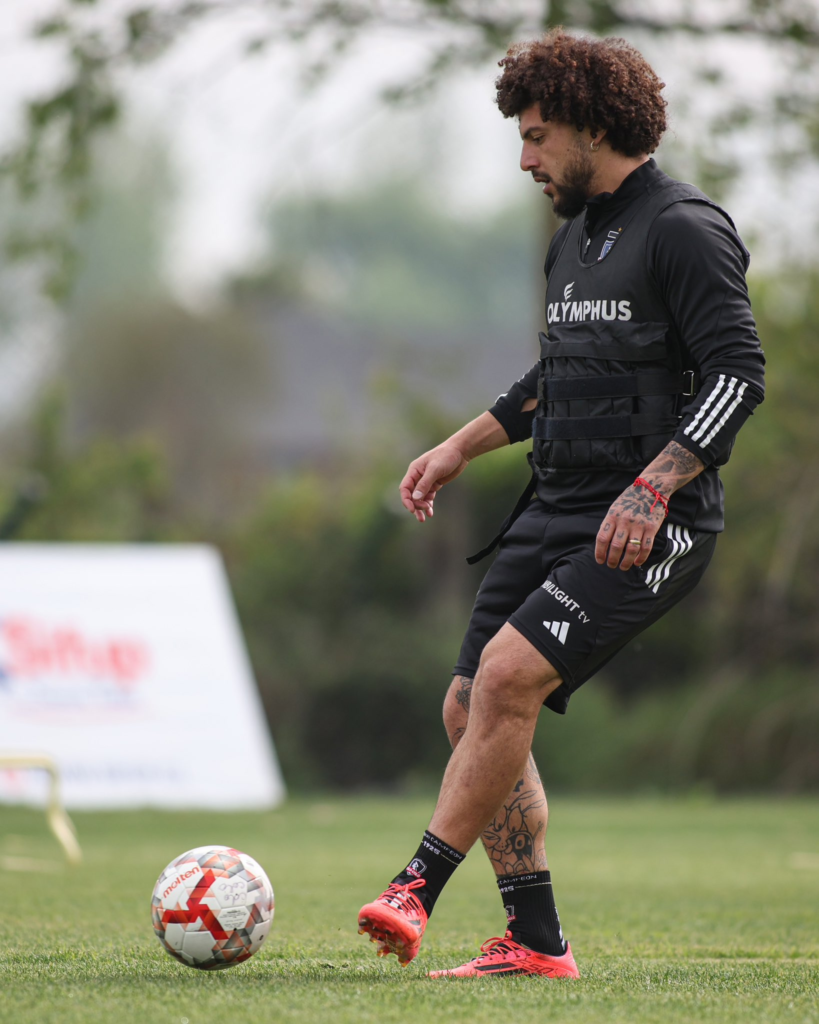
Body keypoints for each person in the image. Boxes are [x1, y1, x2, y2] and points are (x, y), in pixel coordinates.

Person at [357, 29, 765, 979]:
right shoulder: (574, 239)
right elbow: (561, 373)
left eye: (538, 136)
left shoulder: (684, 227)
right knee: (467, 707)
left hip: (648, 521)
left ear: (591, 125)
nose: (525, 158)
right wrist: (459, 447)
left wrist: (656, 485)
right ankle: (537, 942)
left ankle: (413, 886)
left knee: (505, 681)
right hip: (555, 506)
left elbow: (737, 374)